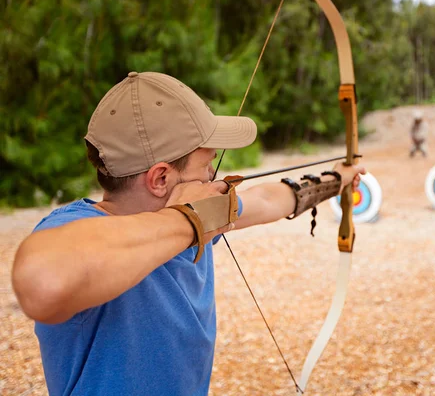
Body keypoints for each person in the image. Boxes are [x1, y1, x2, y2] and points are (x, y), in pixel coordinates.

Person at [11, 72, 365, 396]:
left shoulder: (197, 215)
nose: (213, 175)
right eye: (205, 164)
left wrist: (335, 181)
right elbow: (43, 282)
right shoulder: (77, 229)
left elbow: (266, 199)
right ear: (161, 179)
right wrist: (186, 219)